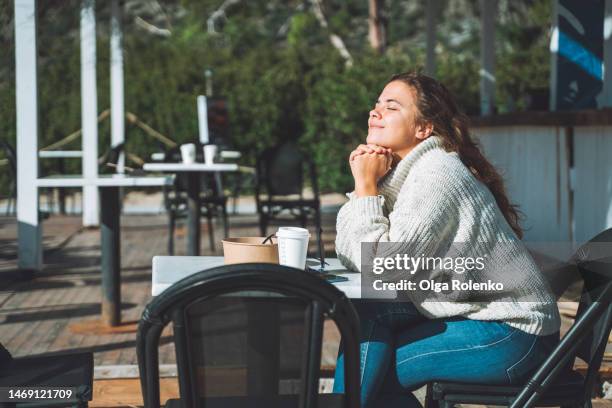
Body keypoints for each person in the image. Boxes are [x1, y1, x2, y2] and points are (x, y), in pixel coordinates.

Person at [332, 72, 561, 407]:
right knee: (367, 313)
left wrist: (365, 188)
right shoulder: (410, 174)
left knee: (372, 372)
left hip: (515, 333)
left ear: (424, 129)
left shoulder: (436, 176)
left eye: (391, 107)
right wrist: (366, 189)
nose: (374, 112)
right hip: (480, 315)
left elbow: (379, 266)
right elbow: (355, 254)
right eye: (376, 104)